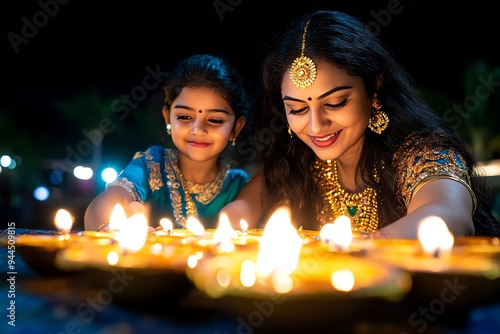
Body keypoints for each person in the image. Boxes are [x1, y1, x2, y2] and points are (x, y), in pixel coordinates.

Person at [220, 10, 500, 238]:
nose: (316, 126)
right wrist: (229, 222)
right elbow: (248, 203)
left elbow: (448, 215)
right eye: (297, 108)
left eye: (336, 103)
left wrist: (363, 248)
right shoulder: (297, 158)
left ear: (374, 89)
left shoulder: (420, 152)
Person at [85, 54, 252, 231]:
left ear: (236, 127)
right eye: (185, 117)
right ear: (168, 117)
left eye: (215, 120)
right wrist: (110, 227)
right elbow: (107, 202)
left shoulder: (238, 185)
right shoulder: (150, 165)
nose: (198, 129)